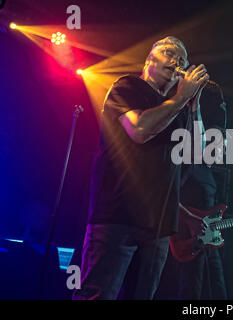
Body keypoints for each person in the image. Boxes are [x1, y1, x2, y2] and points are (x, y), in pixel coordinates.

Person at [73, 36, 209, 300]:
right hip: (117, 219)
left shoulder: (178, 107)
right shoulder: (127, 86)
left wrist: (195, 104)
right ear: (149, 60)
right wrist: (181, 98)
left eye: (183, 59)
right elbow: (139, 130)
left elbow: (199, 151)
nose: (178, 62)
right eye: (170, 53)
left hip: (157, 228)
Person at [177, 161, 233, 300]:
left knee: (219, 291)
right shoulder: (189, 167)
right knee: (191, 292)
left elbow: (215, 215)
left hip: (211, 242)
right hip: (192, 239)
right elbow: (172, 197)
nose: (223, 150)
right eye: (221, 145)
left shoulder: (210, 173)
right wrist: (190, 220)